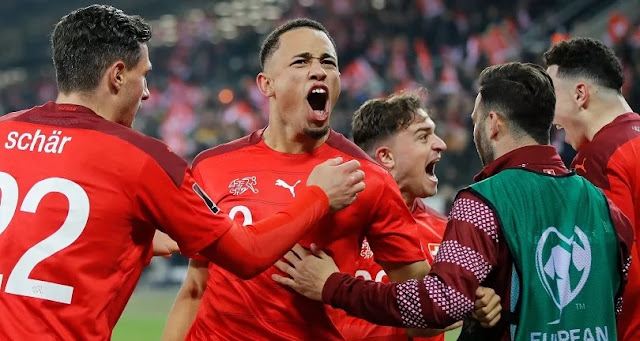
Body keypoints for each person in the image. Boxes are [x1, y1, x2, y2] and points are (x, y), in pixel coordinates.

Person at [0, 6, 366, 340]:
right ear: (117, 76)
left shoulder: (4, 132)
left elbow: (36, 230)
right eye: (144, 77)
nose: (146, 94)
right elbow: (248, 255)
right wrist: (317, 196)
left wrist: (130, 241)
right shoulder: (143, 158)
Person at [273, 62, 634, 340]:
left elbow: (441, 303)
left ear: (492, 124)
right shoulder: (606, 207)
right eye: (424, 135)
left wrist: (334, 286)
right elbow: (614, 304)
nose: (444, 143)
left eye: (475, 120)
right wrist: (488, 307)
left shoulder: (481, 205)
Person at [162, 18, 433, 341]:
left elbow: (426, 307)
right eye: (301, 61)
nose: (318, 70)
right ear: (267, 84)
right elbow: (195, 289)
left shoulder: (365, 178)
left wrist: (339, 289)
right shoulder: (212, 166)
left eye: (327, 62)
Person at [543, 37, 640, 341]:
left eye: (552, 97)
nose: (551, 117)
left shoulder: (597, 158)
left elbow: (619, 268)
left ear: (580, 93)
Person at [341, 91, 451, 341]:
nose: (441, 144)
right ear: (386, 157)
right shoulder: (337, 225)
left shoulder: (446, 231)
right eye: (424, 136)